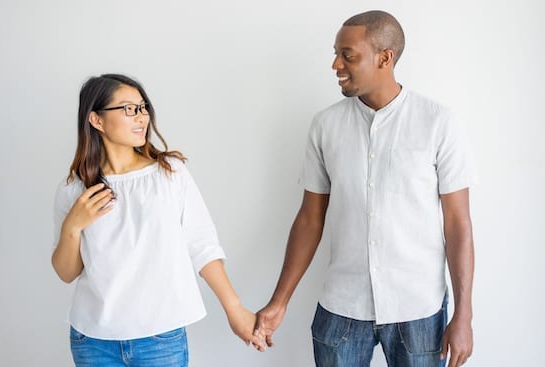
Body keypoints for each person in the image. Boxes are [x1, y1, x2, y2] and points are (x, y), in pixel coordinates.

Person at [254, 10, 475, 367]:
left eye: (348, 55)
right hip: (342, 306)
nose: (335, 64)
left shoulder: (438, 123)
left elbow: (458, 224)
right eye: (336, 53)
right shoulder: (325, 126)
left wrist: (463, 314)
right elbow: (310, 219)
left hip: (418, 308)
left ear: (385, 58)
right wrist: (279, 301)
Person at [51, 74, 265, 366]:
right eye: (128, 109)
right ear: (96, 120)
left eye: (143, 108)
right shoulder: (74, 189)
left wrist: (235, 310)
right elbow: (66, 272)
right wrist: (73, 226)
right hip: (93, 341)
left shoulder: (169, 173)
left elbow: (203, 246)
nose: (141, 118)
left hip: (160, 339)